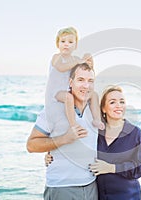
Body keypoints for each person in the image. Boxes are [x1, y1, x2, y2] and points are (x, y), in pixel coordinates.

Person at [46, 85, 141, 200]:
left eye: (122, 102)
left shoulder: (135, 134)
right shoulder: (95, 131)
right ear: (103, 108)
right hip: (98, 195)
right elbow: (77, 146)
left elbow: (140, 168)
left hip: (127, 196)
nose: (119, 105)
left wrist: (111, 168)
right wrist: (52, 154)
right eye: (113, 102)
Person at [27, 63, 98, 200]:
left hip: (91, 186)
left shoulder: (96, 111)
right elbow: (31, 145)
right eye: (81, 80)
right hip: (61, 187)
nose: (86, 86)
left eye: (90, 81)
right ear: (70, 82)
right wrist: (64, 139)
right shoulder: (52, 110)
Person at [45, 26, 104, 131]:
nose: (66, 44)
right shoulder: (56, 57)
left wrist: (88, 60)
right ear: (57, 44)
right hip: (55, 92)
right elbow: (61, 67)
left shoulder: (75, 59)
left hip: (69, 90)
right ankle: (73, 124)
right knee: (68, 97)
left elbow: (87, 71)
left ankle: (97, 119)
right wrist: (78, 61)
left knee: (93, 95)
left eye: (70, 42)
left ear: (75, 46)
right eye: (63, 41)